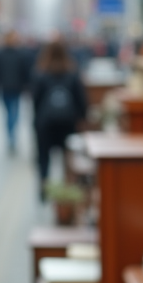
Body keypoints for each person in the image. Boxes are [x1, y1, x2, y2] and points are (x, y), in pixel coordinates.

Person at [31, 37, 87, 198]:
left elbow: (35, 100)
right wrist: (82, 118)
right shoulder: (72, 72)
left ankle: (44, 188)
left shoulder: (40, 73)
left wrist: (36, 121)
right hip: (67, 122)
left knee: (43, 158)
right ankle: (67, 191)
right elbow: (81, 100)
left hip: (45, 123)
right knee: (68, 158)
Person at [0, 30, 32, 154]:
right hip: (8, 87)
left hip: (14, 88)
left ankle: (11, 137)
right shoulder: (11, 54)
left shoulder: (16, 54)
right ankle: (11, 137)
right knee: (11, 113)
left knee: (12, 113)